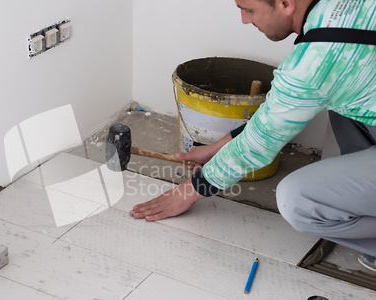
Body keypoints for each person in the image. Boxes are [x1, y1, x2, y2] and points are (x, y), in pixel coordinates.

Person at [130, 0, 376, 271]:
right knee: (343, 104)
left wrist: (189, 191)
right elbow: (279, 115)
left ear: (285, 3)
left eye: (248, 9)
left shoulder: (313, 64)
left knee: (297, 201)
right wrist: (219, 147)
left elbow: (256, 146)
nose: (245, 20)